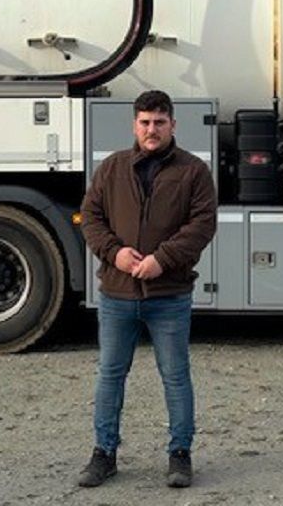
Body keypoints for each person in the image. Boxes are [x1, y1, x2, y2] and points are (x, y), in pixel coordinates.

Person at [77, 90, 218, 488]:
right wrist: (115, 253)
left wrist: (162, 259)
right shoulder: (112, 168)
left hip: (169, 295)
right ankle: (104, 454)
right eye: (144, 122)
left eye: (159, 122)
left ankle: (180, 455)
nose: (151, 129)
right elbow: (91, 217)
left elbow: (202, 224)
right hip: (117, 294)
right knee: (110, 374)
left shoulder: (193, 171)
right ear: (134, 125)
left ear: (173, 124)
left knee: (175, 376)